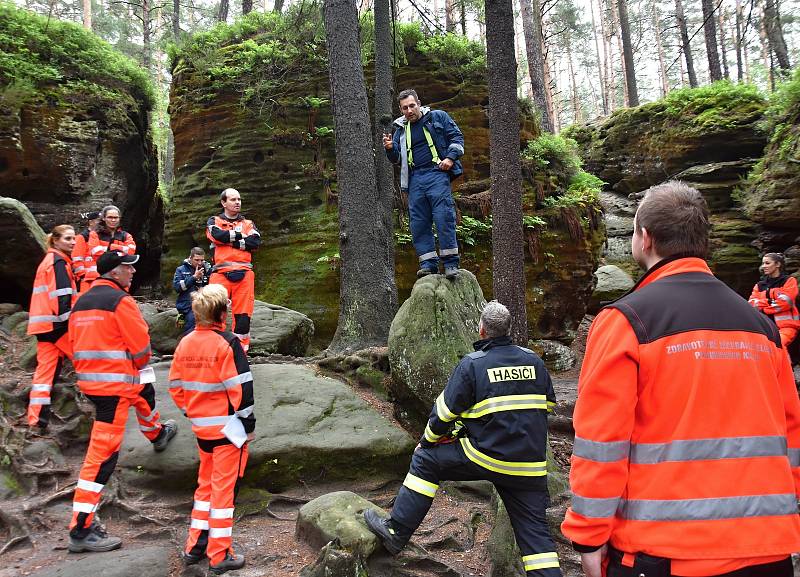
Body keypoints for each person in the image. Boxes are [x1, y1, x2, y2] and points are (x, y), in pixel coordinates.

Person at [561, 181, 800, 577]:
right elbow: (791, 436)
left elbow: (602, 442)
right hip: (765, 550)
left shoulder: (626, 322)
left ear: (645, 238)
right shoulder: (761, 327)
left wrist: (588, 535)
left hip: (663, 552)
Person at [364, 301, 561, 576]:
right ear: (509, 330)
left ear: (481, 330)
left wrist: (429, 441)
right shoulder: (534, 362)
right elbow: (548, 406)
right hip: (530, 467)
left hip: (487, 457)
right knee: (536, 539)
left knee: (425, 461)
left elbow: (443, 414)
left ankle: (396, 531)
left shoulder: (473, 365)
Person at [67, 250, 178, 552]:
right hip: (115, 388)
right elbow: (141, 345)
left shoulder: (82, 301)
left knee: (146, 392)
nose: (132, 272)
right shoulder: (121, 302)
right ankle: (81, 527)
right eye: (128, 268)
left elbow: (72, 343)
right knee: (101, 458)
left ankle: (157, 432)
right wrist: (139, 365)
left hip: (93, 383)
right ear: (115, 272)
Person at [168, 284, 255, 575]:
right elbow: (241, 389)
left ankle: (195, 546)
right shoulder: (228, 344)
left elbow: (176, 387)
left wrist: (192, 412)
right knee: (223, 492)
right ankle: (219, 554)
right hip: (228, 433)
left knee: (205, 486)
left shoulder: (185, 343)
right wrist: (248, 424)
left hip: (202, 431)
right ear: (222, 313)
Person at [383, 89, 464, 280]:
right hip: (414, 179)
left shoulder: (438, 117)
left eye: (412, 105)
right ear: (401, 110)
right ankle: (428, 264)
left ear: (419, 103)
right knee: (419, 222)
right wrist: (389, 148)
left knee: (444, 217)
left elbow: (457, 138)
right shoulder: (401, 128)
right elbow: (396, 158)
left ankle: (451, 263)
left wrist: (450, 159)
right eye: (405, 108)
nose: (409, 111)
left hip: (437, 173)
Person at [27, 225, 77, 430]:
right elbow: (62, 299)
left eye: (74, 238)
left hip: (43, 326)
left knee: (44, 375)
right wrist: (73, 326)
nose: (73, 242)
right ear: (55, 241)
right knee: (88, 361)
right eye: (68, 238)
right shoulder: (57, 263)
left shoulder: (49, 261)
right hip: (57, 326)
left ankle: (36, 420)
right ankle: (110, 405)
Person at [206, 188, 261, 352]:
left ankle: (239, 353)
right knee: (214, 314)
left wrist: (229, 240)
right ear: (223, 203)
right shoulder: (214, 220)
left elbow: (256, 242)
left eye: (239, 199)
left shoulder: (248, 223)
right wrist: (241, 237)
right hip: (219, 275)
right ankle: (214, 352)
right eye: (233, 199)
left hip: (245, 276)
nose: (238, 202)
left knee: (243, 317)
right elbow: (216, 236)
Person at [748, 252, 799, 349]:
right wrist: (772, 301)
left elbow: (785, 303)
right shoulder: (759, 285)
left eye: (767, 263)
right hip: (764, 327)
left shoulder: (789, 281)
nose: (763, 266)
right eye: (763, 263)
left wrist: (763, 308)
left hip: (786, 327)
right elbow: (751, 304)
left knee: (776, 347)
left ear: (777, 265)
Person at [83, 205, 136, 288]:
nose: (113, 220)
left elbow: (130, 252)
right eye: (110, 217)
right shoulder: (95, 234)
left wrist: (110, 247)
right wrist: (120, 249)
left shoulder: (125, 235)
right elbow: (97, 253)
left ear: (119, 218)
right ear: (104, 218)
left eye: (116, 217)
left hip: (120, 277)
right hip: (97, 276)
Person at [173, 247, 212, 334]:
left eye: (202, 260)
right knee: (191, 330)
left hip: (205, 305)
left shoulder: (207, 269)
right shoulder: (181, 270)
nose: (200, 263)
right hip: (187, 307)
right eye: (197, 260)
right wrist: (193, 278)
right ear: (190, 258)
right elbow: (177, 288)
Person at [72, 211, 100, 292]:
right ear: (91, 222)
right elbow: (76, 259)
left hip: (99, 278)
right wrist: (83, 275)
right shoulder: (82, 237)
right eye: (99, 220)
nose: (102, 223)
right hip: (87, 280)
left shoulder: (101, 237)